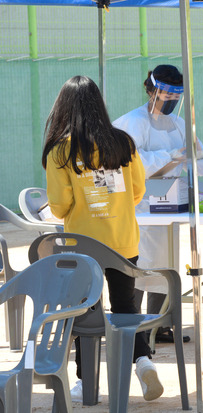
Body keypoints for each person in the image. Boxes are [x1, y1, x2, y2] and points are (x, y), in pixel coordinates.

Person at [42, 75, 164, 401]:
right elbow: (138, 191)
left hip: (83, 249)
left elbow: (59, 206)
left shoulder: (60, 153)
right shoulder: (123, 143)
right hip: (124, 243)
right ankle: (143, 363)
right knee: (126, 308)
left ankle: (86, 382)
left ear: (63, 108)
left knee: (86, 314)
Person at [113, 64, 203, 344]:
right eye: (165, 95)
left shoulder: (178, 124)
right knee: (138, 263)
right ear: (150, 90)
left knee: (164, 261)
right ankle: (133, 326)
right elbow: (130, 164)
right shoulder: (132, 123)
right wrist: (169, 156)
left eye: (176, 96)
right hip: (138, 202)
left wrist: (195, 155)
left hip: (168, 199)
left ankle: (159, 326)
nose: (171, 101)